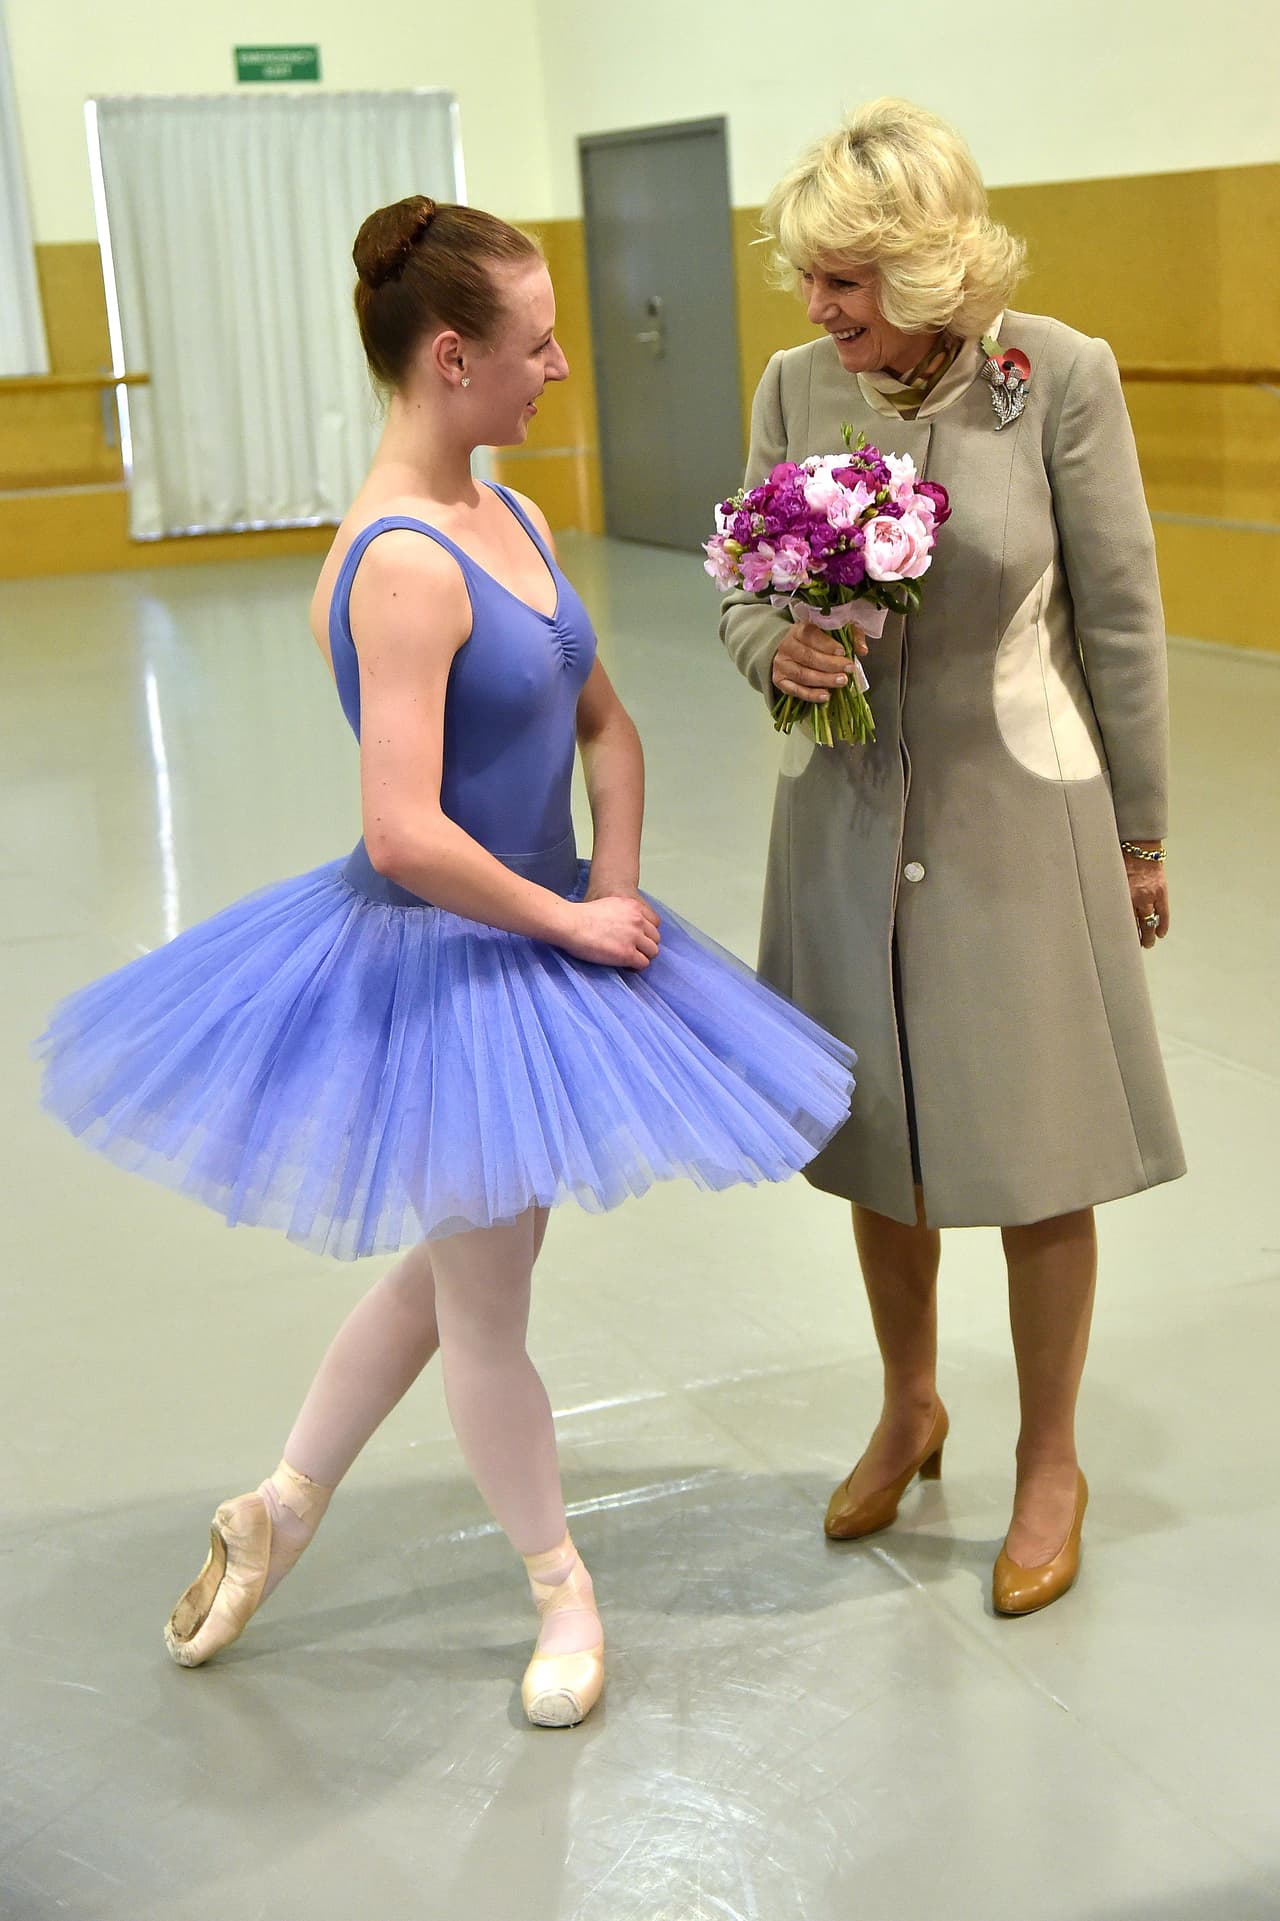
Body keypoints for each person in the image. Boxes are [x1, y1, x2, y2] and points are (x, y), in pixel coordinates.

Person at [37, 195, 854, 1725]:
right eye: (538, 346)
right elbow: (404, 831)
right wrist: (564, 923)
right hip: (450, 956)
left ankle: (282, 1501)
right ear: (455, 356)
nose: (559, 370)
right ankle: (560, 1588)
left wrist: (609, 889)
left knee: (466, 1255)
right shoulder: (403, 561)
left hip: (546, 929)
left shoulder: (516, 519)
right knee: (487, 1302)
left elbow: (607, 724)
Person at [720, 100, 1185, 1615]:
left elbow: (1118, 613)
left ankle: (1050, 1457)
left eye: (845, 282)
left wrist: (1140, 828)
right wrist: (767, 644)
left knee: (1043, 1154)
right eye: (809, 279)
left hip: (1016, 816)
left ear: (923, 270)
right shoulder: (796, 388)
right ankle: (909, 1402)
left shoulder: (1055, 378)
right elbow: (738, 579)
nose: (817, 310)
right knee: (883, 1141)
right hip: (848, 820)